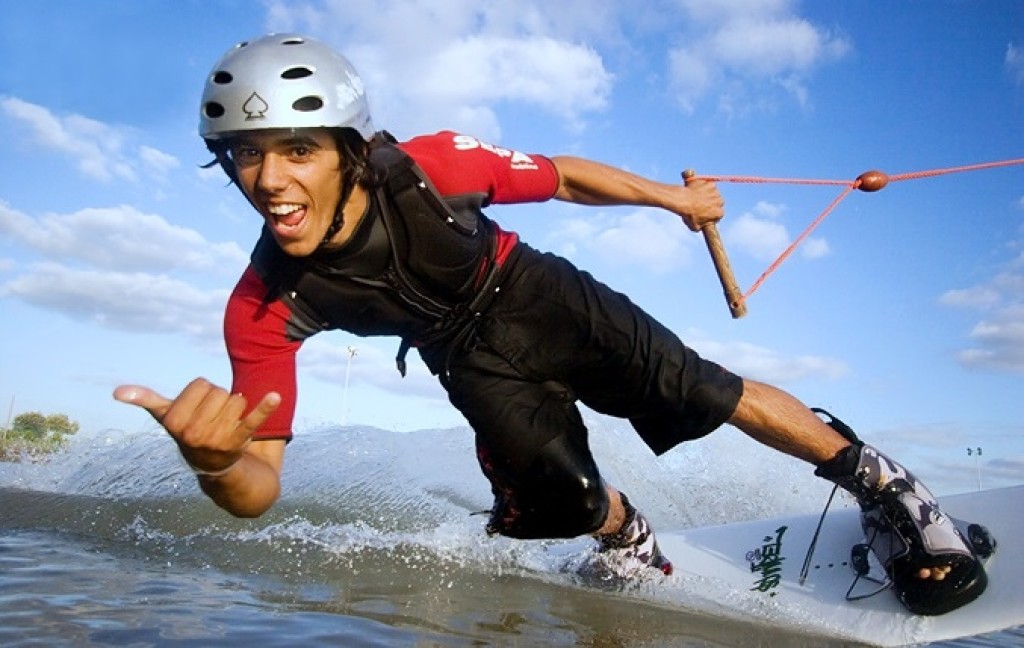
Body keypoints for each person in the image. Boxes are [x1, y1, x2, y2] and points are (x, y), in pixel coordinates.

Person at [114, 33, 986, 615]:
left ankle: (882, 484)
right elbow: (257, 490)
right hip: (464, 355)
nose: (268, 180)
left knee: (703, 391)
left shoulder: (427, 168)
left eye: (297, 150)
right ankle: (626, 535)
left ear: (349, 148)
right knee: (559, 505)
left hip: (537, 295)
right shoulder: (260, 305)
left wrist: (674, 200)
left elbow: (564, 175)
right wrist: (219, 465)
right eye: (245, 154)